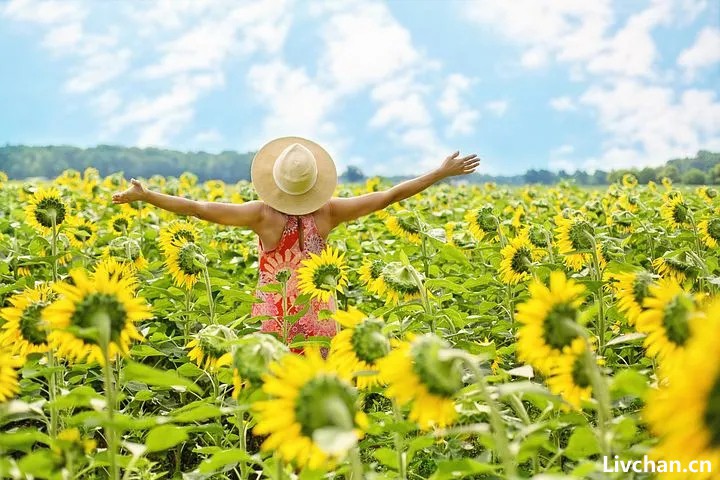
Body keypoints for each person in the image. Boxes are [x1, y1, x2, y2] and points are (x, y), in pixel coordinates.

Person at [112, 136, 479, 345]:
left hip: (278, 320)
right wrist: (440, 172)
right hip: (321, 318)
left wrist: (148, 196)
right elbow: (389, 195)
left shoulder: (262, 215)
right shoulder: (329, 212)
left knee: (278, 397)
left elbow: (198, 208)